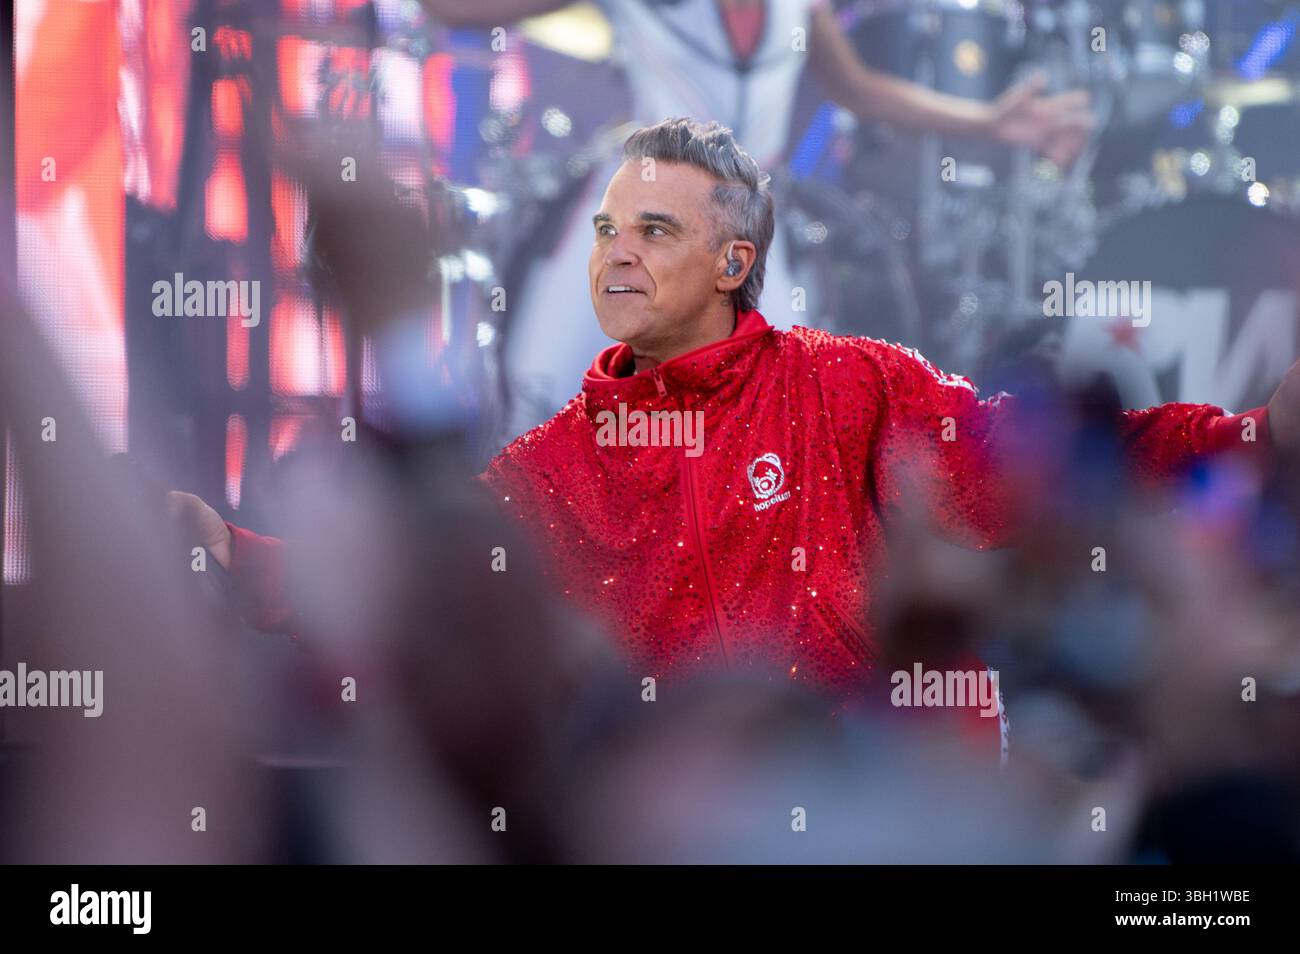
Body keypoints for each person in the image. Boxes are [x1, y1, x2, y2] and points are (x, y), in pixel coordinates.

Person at [174, 118, 1297, 745]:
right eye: (608, 228)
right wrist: (241, 561)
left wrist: (1253, 438)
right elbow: (425, 588)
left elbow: (1037, 473)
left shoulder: (850, 387)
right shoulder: (557, 462)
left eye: (653, 230)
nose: (613, 252)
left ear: (733, 264)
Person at [422, 0, 1095, 436]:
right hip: (633, 229)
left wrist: (991, 122)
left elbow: (858, 89)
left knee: (775, 438)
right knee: (545, 412)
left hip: (741, 249)